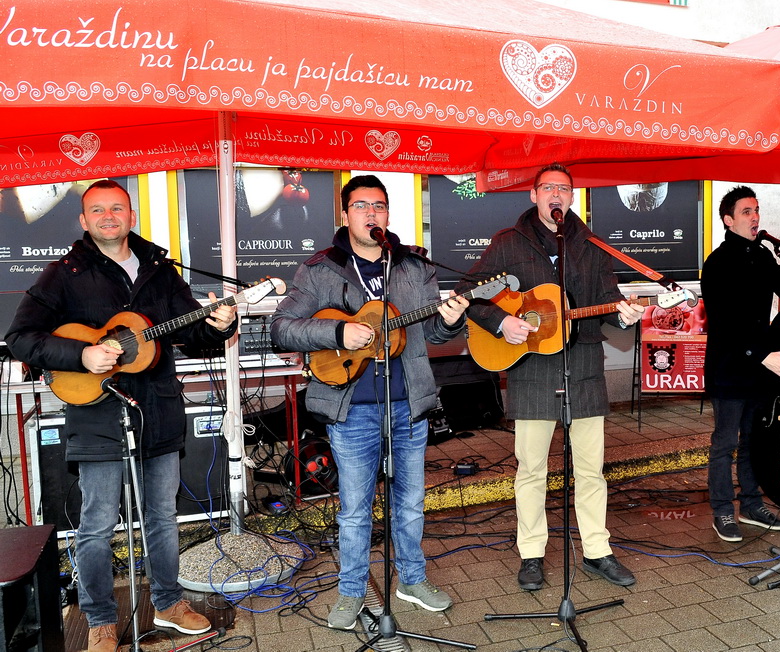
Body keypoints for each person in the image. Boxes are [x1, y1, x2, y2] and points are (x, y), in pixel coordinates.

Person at [5, 180, 237, 652]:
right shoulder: (63, 273)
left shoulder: (159, 270)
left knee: (162, 518)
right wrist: (81, 356)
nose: (108, 216)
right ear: (84, 220)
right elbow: (21, 337)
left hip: (158, 409)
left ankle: (169, 604)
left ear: (131, 216)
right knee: (96, 523)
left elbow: (192, 335)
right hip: (95, 413)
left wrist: (220, 326)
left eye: (117, 208)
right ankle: (100, 620)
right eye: (98, 210)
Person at [270, 175, 468, 630]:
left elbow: (434, 334)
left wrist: (452, 321)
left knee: (412, 502)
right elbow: (283, 327)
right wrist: (337, 332)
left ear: (388, 215)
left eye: (379, 206)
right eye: (361, 206)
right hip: (352, 406)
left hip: (408, 404)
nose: (371, 214)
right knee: (356, 508)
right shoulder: (320, 269)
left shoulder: (415, 267)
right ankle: (352, 591)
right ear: (345, 215)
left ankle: (412, 581)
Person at [456, 163, 645, 591]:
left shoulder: (592, 244)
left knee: (592, 469)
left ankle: (597, 551)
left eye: (564, 188)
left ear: (572, 197)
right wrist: (503, 323)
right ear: (534, 195)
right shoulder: (509, 242)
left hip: (582, 365)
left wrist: (626, 314)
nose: (556, 194)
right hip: (531, 368)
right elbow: (471, 294)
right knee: (531, 468)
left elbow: (609, 302)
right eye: (548, 188)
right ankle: (531, 554)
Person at [700, 186, 780, 542]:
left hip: (761, 367)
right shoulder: (718, 263)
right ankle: (723, 511)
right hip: (731, 367)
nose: (755, 217)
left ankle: (752, 503)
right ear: (728, 220)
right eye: (746, 211)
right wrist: (760, 355)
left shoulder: (763, 256)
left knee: (754, 440)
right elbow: (724, 323)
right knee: (725, 442)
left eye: (756, 210)